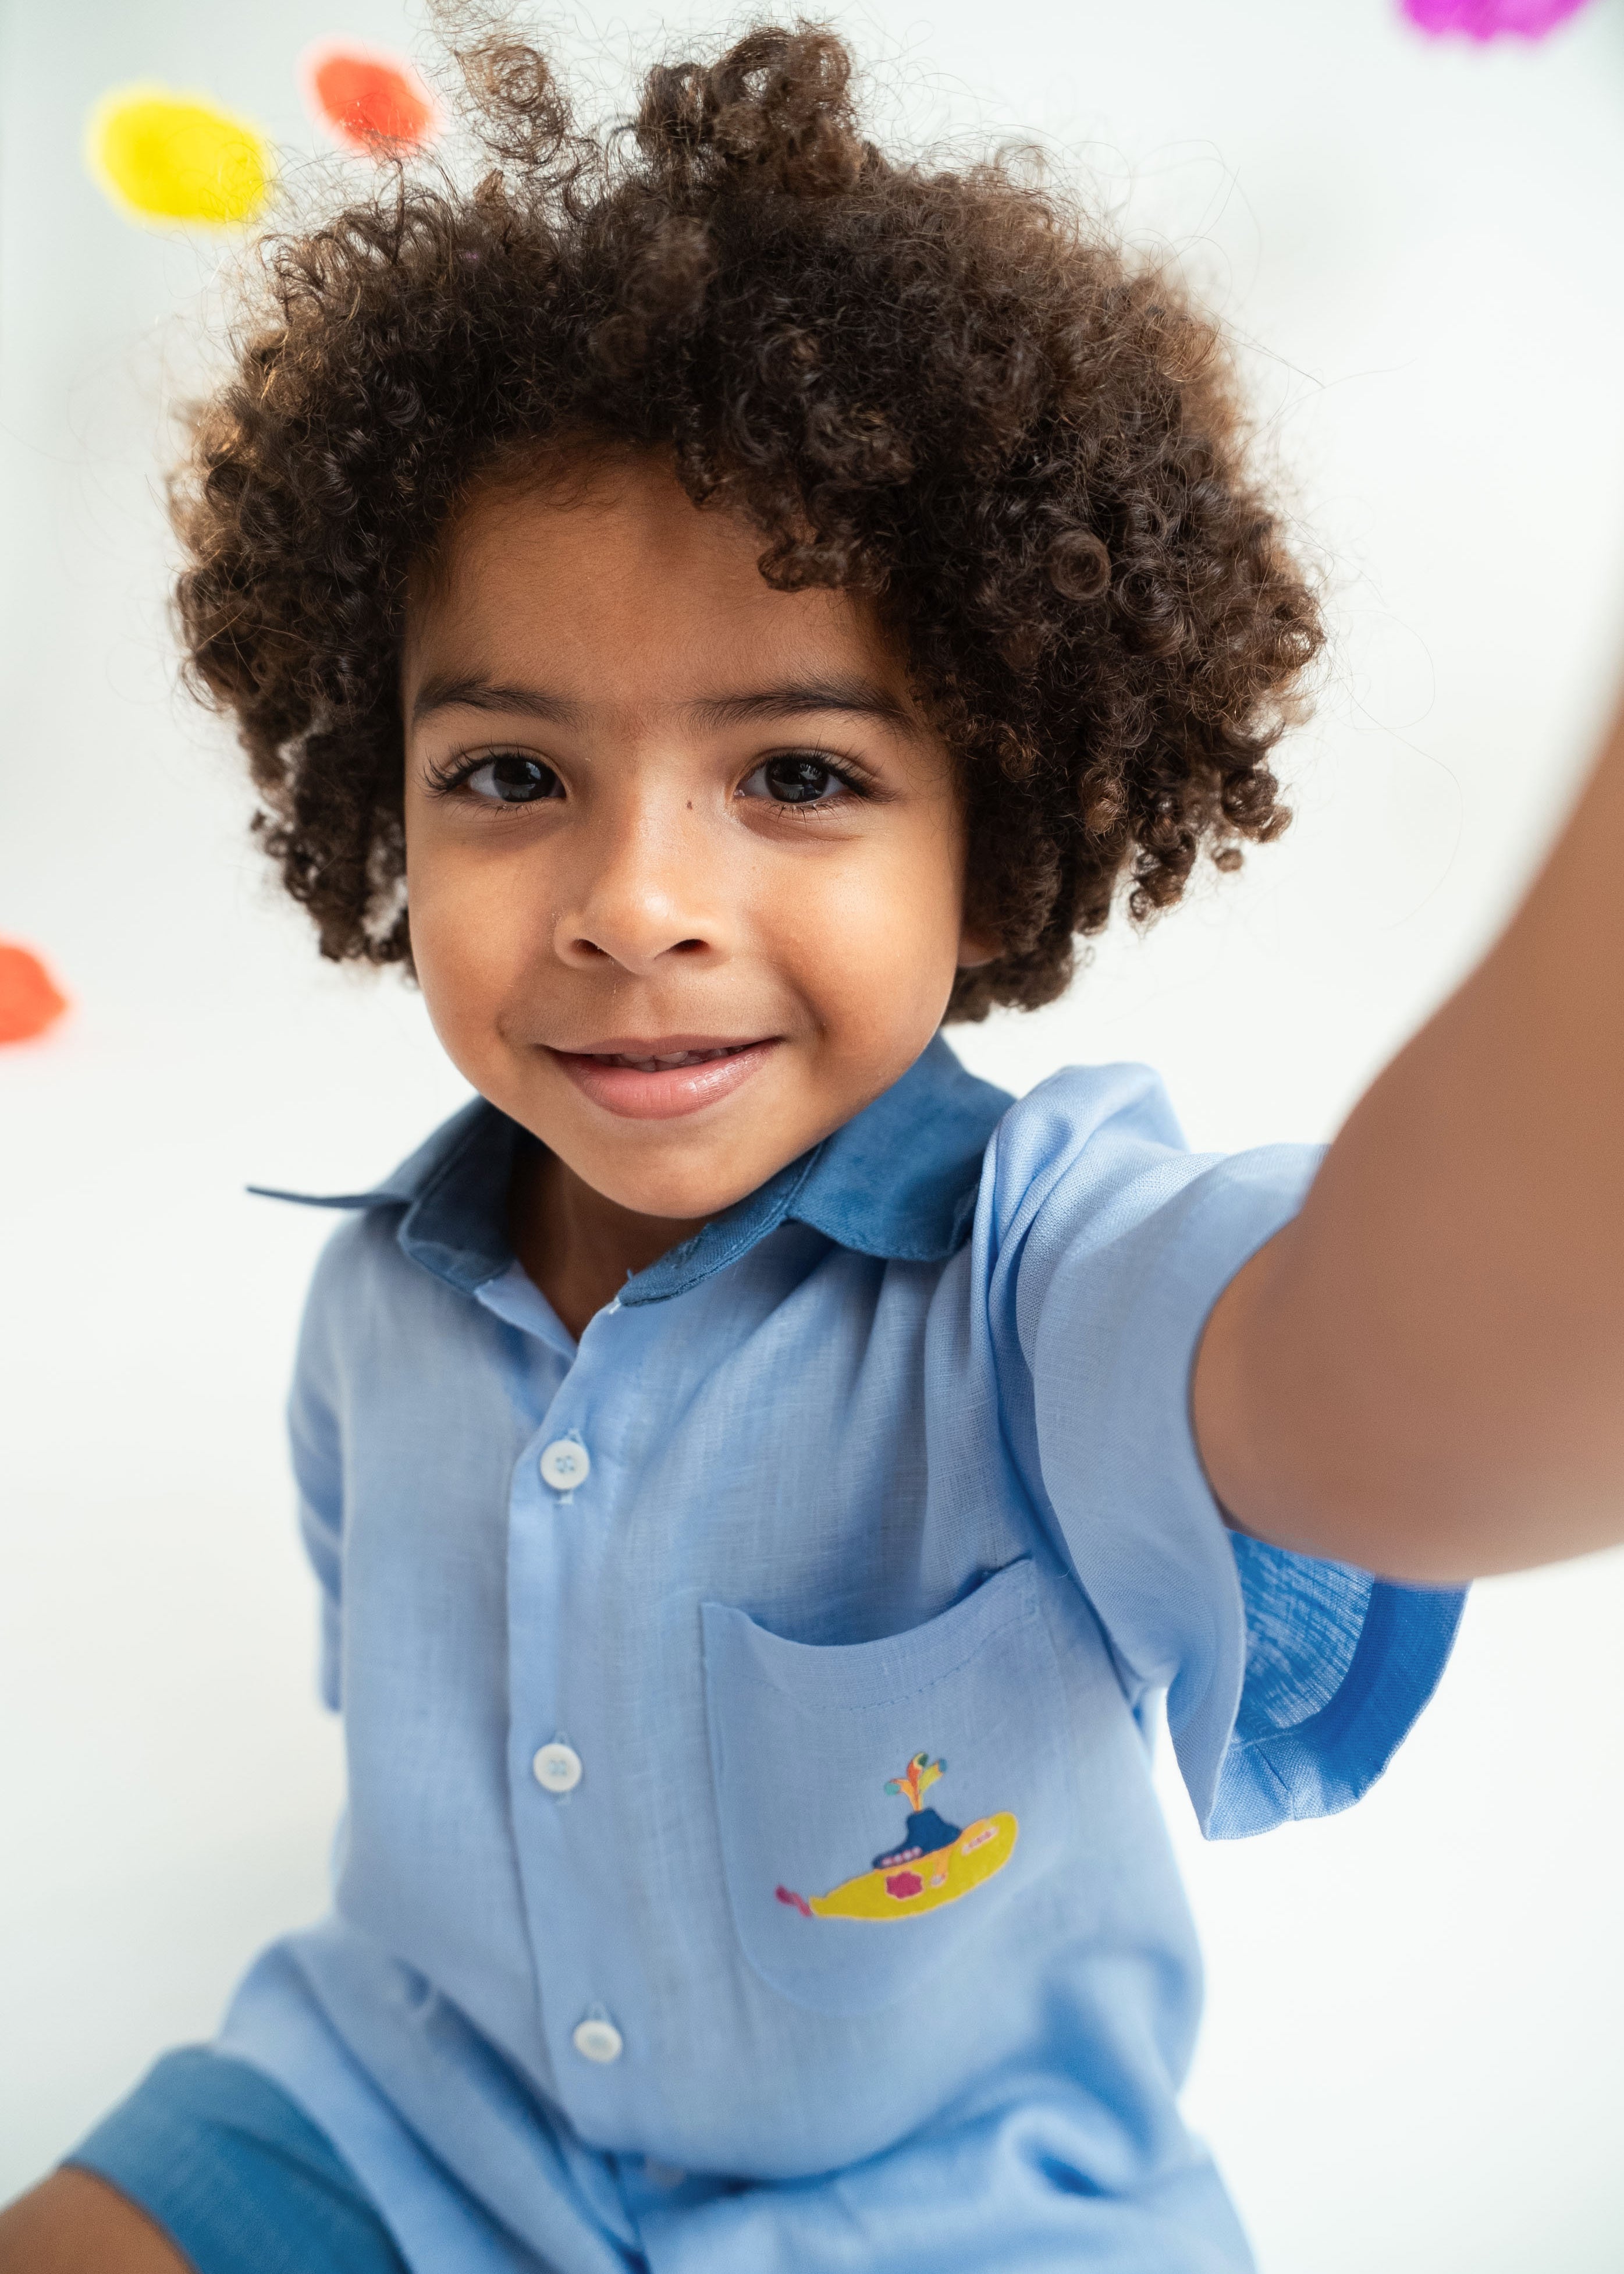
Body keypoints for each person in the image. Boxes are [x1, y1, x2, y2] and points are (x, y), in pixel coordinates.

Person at [5, 19, 1621, 2273]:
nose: (633, 900)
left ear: (998, 839)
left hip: (954, 2218)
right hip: (402, 2112)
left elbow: (1427, 1393)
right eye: (507, 774)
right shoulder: (374, 1299)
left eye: (798, 774)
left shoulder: (1047, 1276)